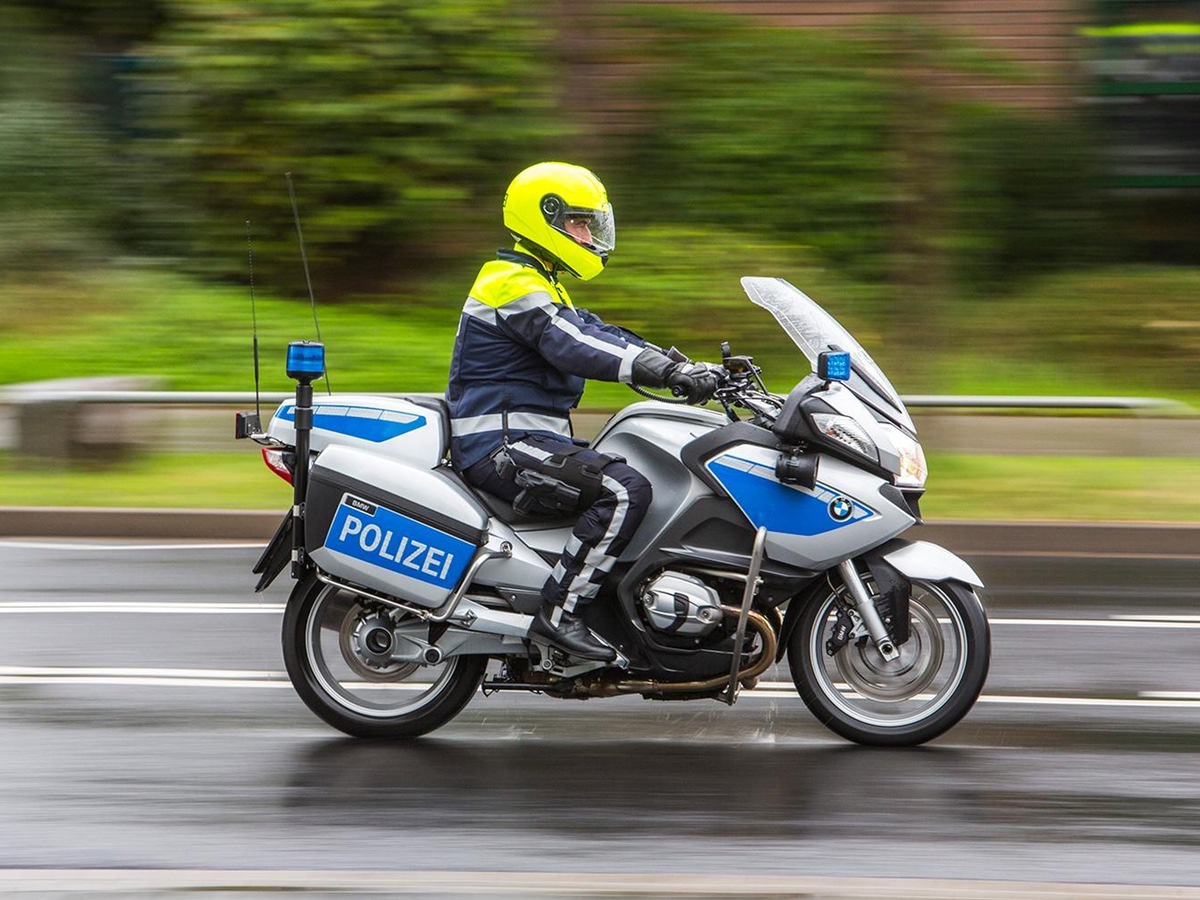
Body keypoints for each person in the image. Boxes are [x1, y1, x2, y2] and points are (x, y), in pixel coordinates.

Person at [446, 161, 718, 662]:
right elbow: (573, 343)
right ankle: (559, 613)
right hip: (501, 445)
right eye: (578, 222)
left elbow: (603, 333)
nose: (588, 234)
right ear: (543, 217)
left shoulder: (541, 282)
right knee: (623, 489)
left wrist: (683, 364)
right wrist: (663, 372)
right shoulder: (507, 282)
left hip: (529, 440)